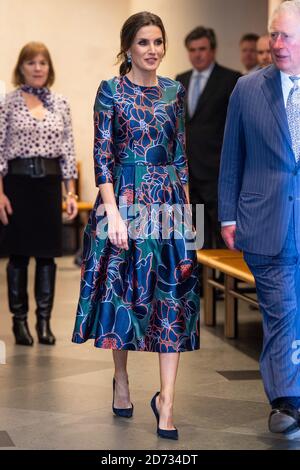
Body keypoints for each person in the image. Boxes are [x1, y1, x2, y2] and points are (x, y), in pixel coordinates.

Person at [72, 11, 200, 440]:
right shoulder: (110, 91)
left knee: (172, 299)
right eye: (144, 42)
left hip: (167, 204)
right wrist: (110, 214)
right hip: (124, 202)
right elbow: (102, 157)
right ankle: (122, 380)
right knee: (124, 296)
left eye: (159, 42)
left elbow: (180, 155)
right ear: (128, 47)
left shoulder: (174, 91)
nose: (153, 51)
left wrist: (188, 221)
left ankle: (166, 401)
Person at [219, 0, 300, 438]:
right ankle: (287, 401)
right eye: (274, 34)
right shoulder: (248, 89)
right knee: (282, 310)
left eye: (287, 35)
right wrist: (227, 214)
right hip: (266, 221)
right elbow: (232, 155)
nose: (277, 43)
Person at [0, 42, 78, 346]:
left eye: (42, 62)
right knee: (18, 257)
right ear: (21, 67)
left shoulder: (61, 103)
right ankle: (20, 322)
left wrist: (69, 193)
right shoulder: (8, 102)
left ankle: (44, 322)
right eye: (31, 62)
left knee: (48, 256)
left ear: (50, 67)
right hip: (17, 185)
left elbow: (68, 150)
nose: (37, 68)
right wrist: (1, 194)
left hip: (48, 185)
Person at [176, 27, 240, 293]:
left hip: (217, 169)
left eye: (202, 49)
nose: (197, 55)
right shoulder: (181, 80)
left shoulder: (231, 79)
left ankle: (227, 285)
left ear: (212, 50)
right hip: (189, 170)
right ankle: (199, 285)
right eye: (192, 50)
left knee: (222, 228)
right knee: (195, 229)